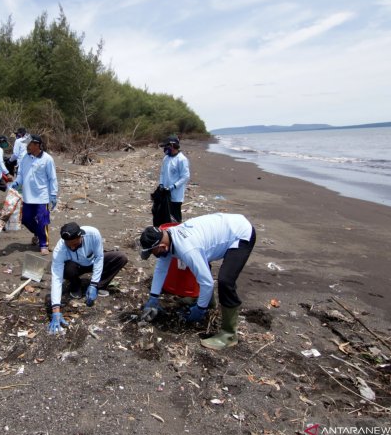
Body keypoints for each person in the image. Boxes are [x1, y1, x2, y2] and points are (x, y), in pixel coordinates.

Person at [139, 213, 256, 350]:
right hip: (221, 230)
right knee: (200, 266)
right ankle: (209, 302)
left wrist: (199, 310)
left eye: (153, 253)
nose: (154, 256)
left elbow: (207, 283)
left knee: (225, 281)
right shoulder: (168, 237)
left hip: (240, 234)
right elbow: (161, 269)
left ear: (162, 247)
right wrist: (153, 298)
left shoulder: (188, 249)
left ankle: (229, 334)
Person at [47, 222, 129, 333]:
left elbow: (99, 258)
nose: (72, 247)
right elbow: (56, 278)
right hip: (75, 266)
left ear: (81, 236)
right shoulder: (59, 250)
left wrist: (94, 284)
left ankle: (99, 286)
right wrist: (55, 310)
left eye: (75, 244)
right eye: (69, 245)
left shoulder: (93, 234)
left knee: (121, 257)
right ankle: (76, 286)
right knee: (68, 269)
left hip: (92, 261)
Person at [11, 135, 58, 255]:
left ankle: (44, 244)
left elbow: (52, 178)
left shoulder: (47, 159)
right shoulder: (25, 158)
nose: (27, 146)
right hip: (27, 196)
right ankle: (38, 233)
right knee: (25, 219)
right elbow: (21, 174)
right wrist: (16, 182)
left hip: (42, 196)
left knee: (42, 220)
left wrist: (53, 194)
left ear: (37, 145)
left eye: (29, 144)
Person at [157, 136, 190, 224]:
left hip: (176, 194)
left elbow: (185, 176)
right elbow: (162, 173)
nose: (164, 149)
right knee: (164, 215)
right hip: (164, 192)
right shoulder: (166, 158)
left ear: (172, 145)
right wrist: (161, 184)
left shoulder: (181, 159)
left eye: (166, 146)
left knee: (175, 217)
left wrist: (173, 186)